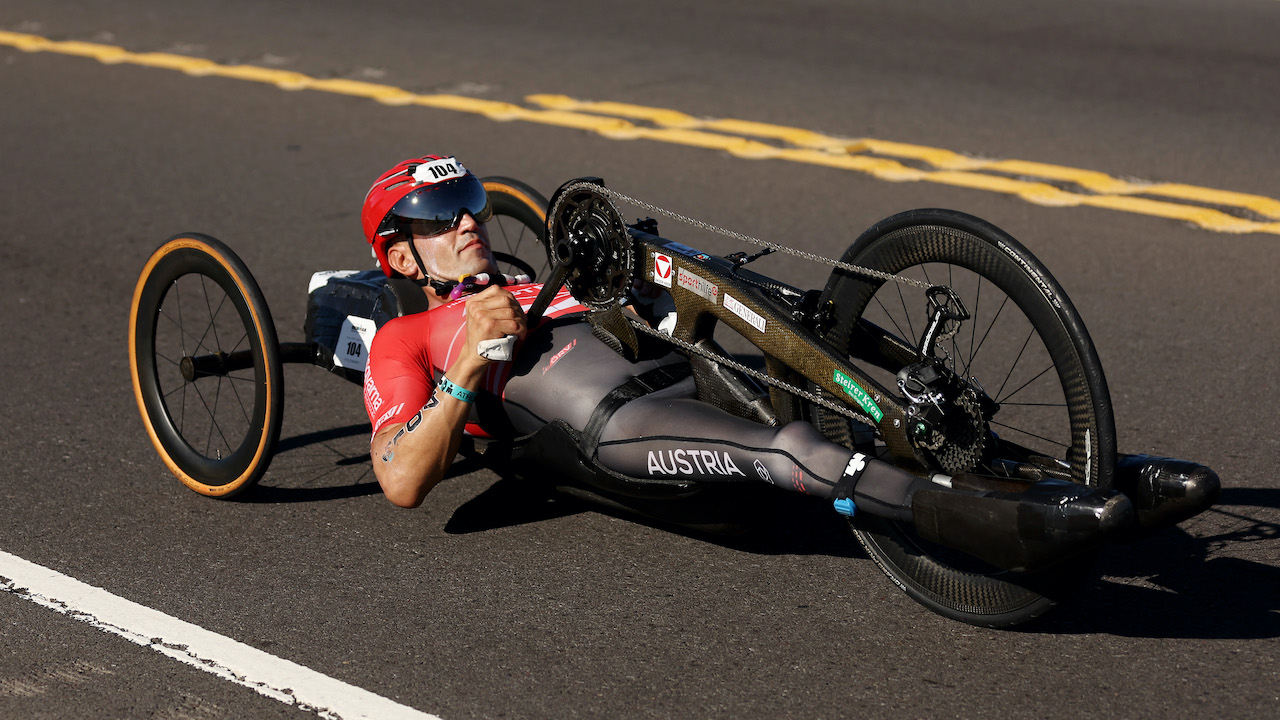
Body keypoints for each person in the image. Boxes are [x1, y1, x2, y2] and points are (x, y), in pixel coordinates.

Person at [359, 154, 922, 522]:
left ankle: (937, 425)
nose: (466, 223)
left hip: (692, 365)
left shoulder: (533, 285)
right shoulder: (405, 337)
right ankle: (956, 514)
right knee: (793, 451)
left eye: (471, 206)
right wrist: (466, 365)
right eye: (438, 217)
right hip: (624, 416)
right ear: (404, 257)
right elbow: (402, 479)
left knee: (814, 343)